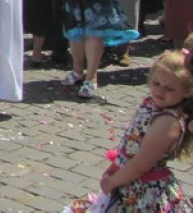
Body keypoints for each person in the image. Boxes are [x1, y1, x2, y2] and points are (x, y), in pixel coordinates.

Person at [74, 47, 193, 211]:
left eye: (169, 89)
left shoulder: (167, 122)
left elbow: (141, 165)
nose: (159, 91)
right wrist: (115, 168)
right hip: (129, 184)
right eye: (156, 83)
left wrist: (112, 182)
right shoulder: (152, 105)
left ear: (187, 91)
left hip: (145, 194)